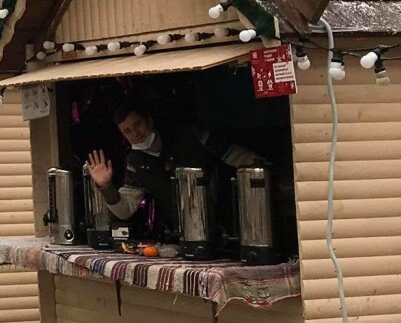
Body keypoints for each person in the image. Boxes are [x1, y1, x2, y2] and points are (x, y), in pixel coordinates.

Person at [86, 102, 266, 241]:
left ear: (149, 120)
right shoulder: (135, 162)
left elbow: (231, 154)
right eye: (127, 131)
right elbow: (125, 210)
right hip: (184, 234)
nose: (135, 133)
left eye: (137, 124)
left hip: (228, 225)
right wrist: (106, 186)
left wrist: (265, 168)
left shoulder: (188, 134)